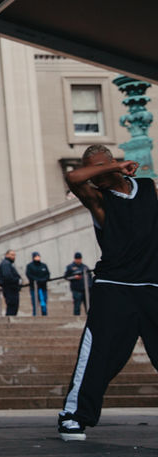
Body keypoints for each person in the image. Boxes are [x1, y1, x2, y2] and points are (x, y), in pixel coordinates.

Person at [57, 145, 158, 441]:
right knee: (98, 354)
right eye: (94, 171)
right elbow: (73, 178)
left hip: (152, 286)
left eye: (101, 167)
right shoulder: (98, 199)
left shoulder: (148, 188)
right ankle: (74, 416)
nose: (96, 177)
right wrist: (112, 167)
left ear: (112, 162)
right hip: (114, 289)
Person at [64, 252, 92, 316]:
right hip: (77, 290)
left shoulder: (85, 267)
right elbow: (66, 277)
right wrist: (74, 277)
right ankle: (76, 318)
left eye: (79, 259)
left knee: (88, 306)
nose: (78, 260)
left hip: (86, 290)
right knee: (77, 306)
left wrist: (90, 286)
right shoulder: (70, 267)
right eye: (77, 259)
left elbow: (90, 277)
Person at [0, 250, 23, 316]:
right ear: (6, 255)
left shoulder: (8, 264)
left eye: (14, 255)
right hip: (10, 288)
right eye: (11, 255)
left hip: (11, 288)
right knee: (12, 307)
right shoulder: (6, 264)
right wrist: (17, 280)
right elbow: (7, 276)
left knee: (13, 307)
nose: (13, 256)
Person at [26, 252, 50, 316]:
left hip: (43, 287)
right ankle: (35, 315)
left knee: (44, 303)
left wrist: (43, 280)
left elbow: (47, 274)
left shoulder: (43, 265)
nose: (37, 258)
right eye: (36, 257)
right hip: (34, 288)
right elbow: (29, 275)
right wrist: (37, 280)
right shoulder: (30, 266)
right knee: (35, 304)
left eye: (38, 256)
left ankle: (44, 315)